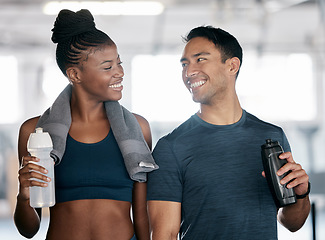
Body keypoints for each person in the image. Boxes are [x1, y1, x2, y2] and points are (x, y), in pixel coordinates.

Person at [147, 26, 311, 239]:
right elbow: (164, 234)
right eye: (185, 64)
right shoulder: (171, 147)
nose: (189, 72)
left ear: (232, 66)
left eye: (200, 59)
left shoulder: (272, 137)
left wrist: (301, 194)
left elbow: (292, 223)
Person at [14, 9, 153, 240]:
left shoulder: (137, 128)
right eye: (108, 67)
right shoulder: (34, 132)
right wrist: (24, 195)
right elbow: (28, 230)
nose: (120, 73)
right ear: (75, 75)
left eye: (119, 63)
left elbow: (141, 216)